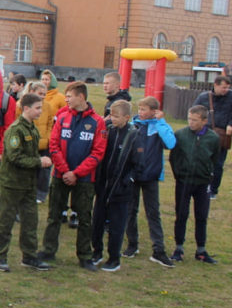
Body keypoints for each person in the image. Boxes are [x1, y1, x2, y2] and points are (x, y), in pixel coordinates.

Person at [39, 82, 106, 271]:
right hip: (61, 175)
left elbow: (97, 153)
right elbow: (54, 146)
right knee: (54, 215)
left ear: (82, 97)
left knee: (84, 217)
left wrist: (76, 173)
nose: (66, 100)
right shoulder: (61, 118)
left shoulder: (97, 122)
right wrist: (65, 170)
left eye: (70, 96)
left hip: (84, 179)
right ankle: (49, 249)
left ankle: (85, 255)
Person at [0, 93, 53, 272]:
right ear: (26, 108)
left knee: (30, 220)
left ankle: (29, 256)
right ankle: (0, 256)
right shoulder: (16, 129)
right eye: (37, 108)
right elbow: (13, 156)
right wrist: (39, 162)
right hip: (12, 183)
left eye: (41, 108)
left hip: (28, 183)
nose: (40, 111)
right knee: (6, 220)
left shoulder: (32, 129)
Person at [123, 96, 176, 266]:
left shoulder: (158, 127)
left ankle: (158, 250)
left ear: (154, 111)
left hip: (151, 176)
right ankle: (132, 244)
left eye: (144, 109)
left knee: (153, 213)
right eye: (139, 109)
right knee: (131, 211)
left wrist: (161, 123)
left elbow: (171, 143)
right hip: (133, 176)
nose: (140, 112)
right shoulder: (133, 125)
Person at [89, 100, 139, 272]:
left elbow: (139, 164)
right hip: (103, 185)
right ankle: (96, 252)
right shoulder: (108, 131)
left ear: (127, 117)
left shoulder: (134, 135)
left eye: (116, 116)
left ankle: (114, 258)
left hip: (120, 189)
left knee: (117, 225)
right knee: (97, 221)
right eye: (111, 115)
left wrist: (127, 181)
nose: (113, 119)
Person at [169, 105, 221, 264]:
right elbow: (174, 158)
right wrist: (179, 174)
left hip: (202, 182)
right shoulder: (181, 135)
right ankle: (179, 247)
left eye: (195, 120)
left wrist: (208, 175)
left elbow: (215, 159)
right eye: (189, 119)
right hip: (184, 181)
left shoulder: (213, 139)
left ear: (204, 121)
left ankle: (201, 250)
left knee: (201, 215)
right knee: (181, 214)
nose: (191, 122)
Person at [192, 75, 232, 199]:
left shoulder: (231, 97)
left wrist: (230, 124)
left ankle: (213, 189)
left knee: (218, 164)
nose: (225, 90)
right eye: (223, 87)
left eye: (228, 87)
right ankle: (200, 186)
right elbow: (194, 111)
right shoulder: (204, 97)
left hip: (222, 135)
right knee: (202, 161)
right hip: (205, 133)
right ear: (215, 85)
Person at [28, 81, 54, 204]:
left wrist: (47, 139)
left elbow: (50, 124)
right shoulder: (23, 105)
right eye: (40, 93)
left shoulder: (48, 106)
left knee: (44, 171)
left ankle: (41, 194)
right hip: (30, 143)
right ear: (32, 92)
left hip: (44, 143)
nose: (43, 96)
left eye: (45, 94)